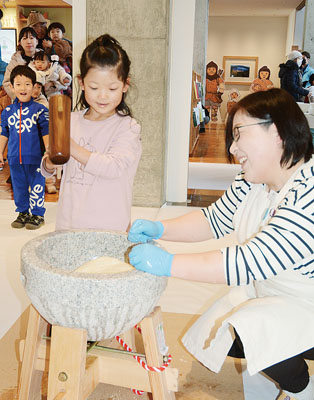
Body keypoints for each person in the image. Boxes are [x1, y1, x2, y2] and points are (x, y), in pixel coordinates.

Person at [127, 88, 314, 400]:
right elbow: (213, 220)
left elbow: (248, 262)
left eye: (239, 134)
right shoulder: (253, 180)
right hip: (275, 292)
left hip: (308, 304)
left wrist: (168, 263)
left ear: (279, 131)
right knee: (227, 329)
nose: (232, 147)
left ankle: (303, 388)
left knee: (254, 327)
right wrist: (159, 229)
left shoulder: (308, 192)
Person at [41, 34, 142, 231]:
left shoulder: (127, 127)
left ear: (125, 85)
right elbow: (47, 169)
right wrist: (49, 163)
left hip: (109, 227)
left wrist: (72, 147)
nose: (102, 96)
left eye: (112, 88)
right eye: (94, 87)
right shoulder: (71, 121)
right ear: (81, 83)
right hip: (68, 224)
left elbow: (114, 167)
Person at [0, 65, 49, 229]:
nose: (23, 88)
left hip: (36, 159)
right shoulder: (7, 112)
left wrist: (48, 150)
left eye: (27, 84)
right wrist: (0, 151)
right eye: (18, 84)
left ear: (34, 87)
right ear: (12, 87)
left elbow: (46, 132)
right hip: (14, 159)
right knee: (19, 187)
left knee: (37, 185)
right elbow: (4, 133)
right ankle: (23, 212)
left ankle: (37, 214)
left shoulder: (40, 110)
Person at [2, 27, 39, 100]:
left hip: (43, 101)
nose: (28, 41)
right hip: (21, 102)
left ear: (37, 41)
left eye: (31, 38)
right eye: (25, 38)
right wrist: (22, 97)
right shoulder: (15, 61)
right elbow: (7, 83)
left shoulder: (45, 58)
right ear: (20, 42)